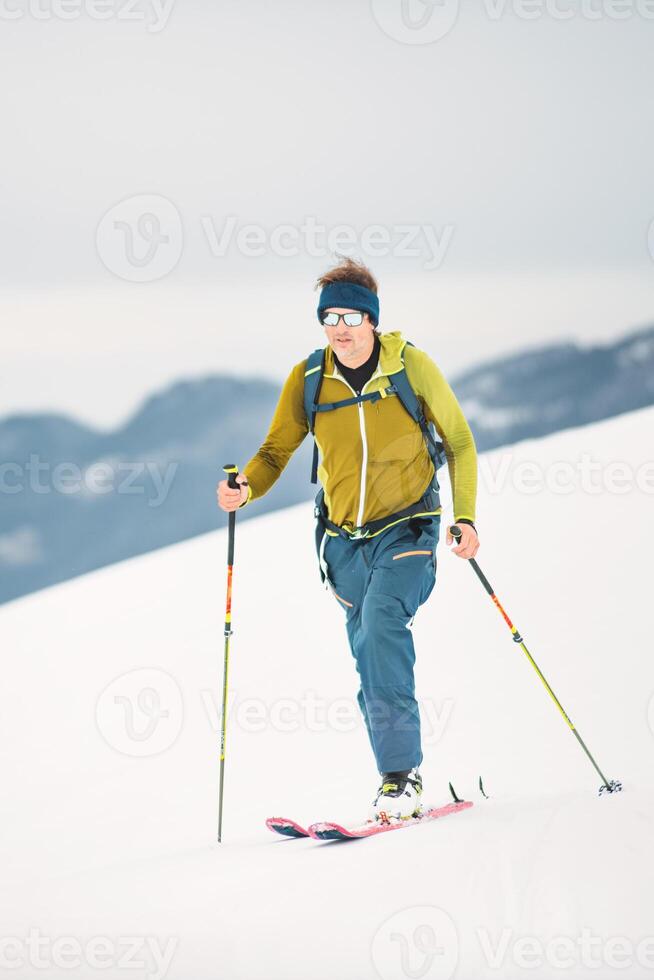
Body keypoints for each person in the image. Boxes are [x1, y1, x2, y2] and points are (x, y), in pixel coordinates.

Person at [217, 257, 479, 821]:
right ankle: (396, 774)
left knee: (383, 622)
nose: (341, 327)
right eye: (330, 316)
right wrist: (246, 489)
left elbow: (458, 439)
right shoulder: (311, 379)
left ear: (373, 320)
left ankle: (400, 777)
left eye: (352, 315)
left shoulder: (411, 368)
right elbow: (274, 453)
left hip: (409, 526)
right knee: (370, 655)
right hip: (341, 543)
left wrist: (468, 517)